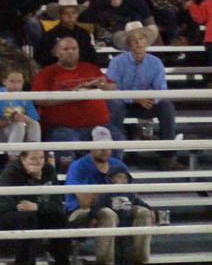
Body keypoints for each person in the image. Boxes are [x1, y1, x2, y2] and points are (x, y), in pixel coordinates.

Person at [64, 127, 153, 265]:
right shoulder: (78, 166)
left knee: (143, 212)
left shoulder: (118, 165)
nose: (104, 149)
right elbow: (84, 202)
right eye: (99, 145)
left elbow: (130, 195)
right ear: (90, 146)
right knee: (107, 214)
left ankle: (139, 263)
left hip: (117, 206)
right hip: (80, 211)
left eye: (107, 145)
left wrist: (99, 195)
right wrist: (108, 195)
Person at [106, 24, 183, 170]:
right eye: (134, 39)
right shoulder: (117, 62)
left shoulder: (155, 62)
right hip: (124, 103)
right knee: (115, 105)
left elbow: (161, 88)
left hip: (147, 102)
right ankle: (115, 154)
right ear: (128, 43)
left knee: (166, 106)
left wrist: (152, 98)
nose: (138, 43)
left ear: (146, 41)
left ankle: (167, 156)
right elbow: (113, 89)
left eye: (141, 38)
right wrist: (134, 99)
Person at [31, 36, 118, 164]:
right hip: (63, 128)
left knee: (117, 137)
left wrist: (105, 86)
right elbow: (38, 100)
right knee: (65, 139)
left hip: (98, 125)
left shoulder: (90, 68)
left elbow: (113, 87)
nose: (70, 52)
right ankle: (68, 178)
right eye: (66, 49)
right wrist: (71, 94)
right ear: (57, 52)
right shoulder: (47, 73)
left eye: (74, 48)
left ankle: (111, 177)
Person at [0, 149, 70, 265]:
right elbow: (18, 205)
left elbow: (57, 204)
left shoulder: (48, 170)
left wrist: (37, 206)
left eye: (41, 158)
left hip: (37, 212)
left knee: (59, 217)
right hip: (8, 216)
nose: (38, 162)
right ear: (23, 159)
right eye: (33, 158)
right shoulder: (11, 173)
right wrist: (36, 183)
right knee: (27, 216)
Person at [34, 0, 98, 67]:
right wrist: (52, 55)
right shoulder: (50, 35)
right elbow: (40, 58)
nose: (70, 16)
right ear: (60, 14)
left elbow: (92, 57)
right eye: (66, 13)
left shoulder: (84, 34)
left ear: (77, 14)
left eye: (73, 13)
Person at [2, 66, 42, 151]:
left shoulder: (25, 96)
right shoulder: (1, 94)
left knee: (35, 124)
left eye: (19, 81)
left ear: (23, 82)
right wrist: (17, 118)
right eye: (12, 81)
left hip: (20, 132)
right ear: (4, 81)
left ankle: (33, 152)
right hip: (3, 131)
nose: (15, 85)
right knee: (18, 125)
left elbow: (33, 118)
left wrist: (25, 120)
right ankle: (13, 158)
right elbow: (14, 116)